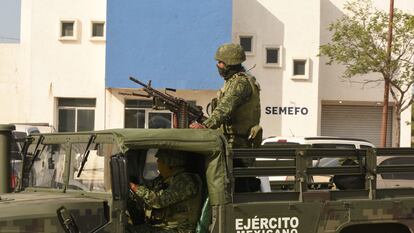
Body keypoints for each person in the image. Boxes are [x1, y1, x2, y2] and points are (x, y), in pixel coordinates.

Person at [190, 43, 262, 192]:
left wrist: (206, 126)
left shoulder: (240, 83)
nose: (218, 65)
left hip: (238, 146)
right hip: (231, 143)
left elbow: (225, 108)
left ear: (229, 64)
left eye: (221, 62)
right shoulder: (233, 82)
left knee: (238, 188)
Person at [127, 150, 202, 233]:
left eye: (160, 160)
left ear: (170, 164)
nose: (157, 163)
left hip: (179, 229)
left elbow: (158, 201)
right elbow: (151, 188)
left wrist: (134, 187)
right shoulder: (167, 179)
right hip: (165, 226)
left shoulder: (186, 181)